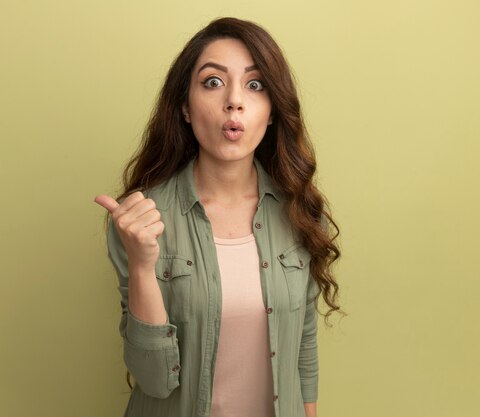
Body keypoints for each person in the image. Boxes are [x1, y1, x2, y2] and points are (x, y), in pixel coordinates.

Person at [94, 16, 341, 417]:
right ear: (185, 109)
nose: (234, 100)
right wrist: (142, 265)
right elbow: (153, 379)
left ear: (273, 111)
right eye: (213, 82)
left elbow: (303, 343)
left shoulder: (304, 211)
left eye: (255, 84)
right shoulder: (141, 219)